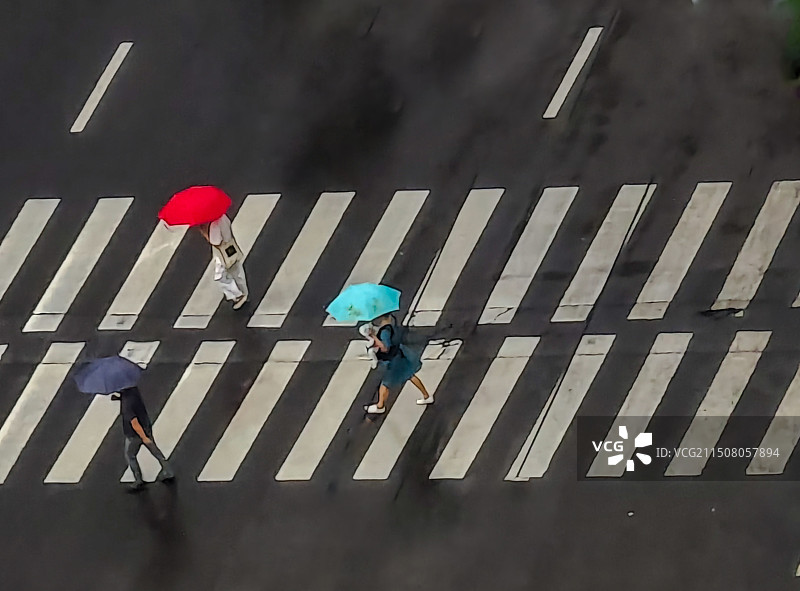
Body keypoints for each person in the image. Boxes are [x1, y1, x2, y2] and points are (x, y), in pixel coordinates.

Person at [364, 314, 432, 414]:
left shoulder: (384, 332)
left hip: (392, 360)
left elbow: (385, 348)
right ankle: (426, 396)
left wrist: (373, 337)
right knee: (410, 375)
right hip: (399, 355)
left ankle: (380, 406)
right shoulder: (393, 326)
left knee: (385, 383)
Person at [116, 386, 174, 491]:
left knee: (130, 455)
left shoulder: (127, 405)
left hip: (134, 435)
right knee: (155, 451)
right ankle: (168, 471)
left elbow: (134, 422)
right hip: (146, 426)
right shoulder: (134, 391)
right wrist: (119, 398)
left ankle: (138, 480)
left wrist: (143, 437)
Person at [199, 214, 248, 310]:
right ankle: (244, 292)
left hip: (222, 254)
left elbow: (216, 241)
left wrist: (205, 233)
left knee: (220, 277)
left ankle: (238, 295)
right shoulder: (223, 217)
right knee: (236, 270)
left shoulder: (214, 224)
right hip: (230, 246)